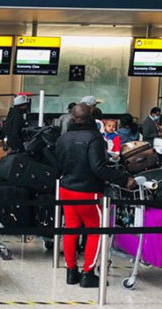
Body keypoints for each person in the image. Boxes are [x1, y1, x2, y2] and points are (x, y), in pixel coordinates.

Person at [56, 103, 135, 288]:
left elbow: (57, 166)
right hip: (87, 191)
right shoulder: (94, 137)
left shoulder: (64, 138)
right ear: (91, 116)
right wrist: (123, 179)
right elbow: (98, 167)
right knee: (96, 230)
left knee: (71, 229)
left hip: (66, 188)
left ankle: (71, 271)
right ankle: (88, 273)